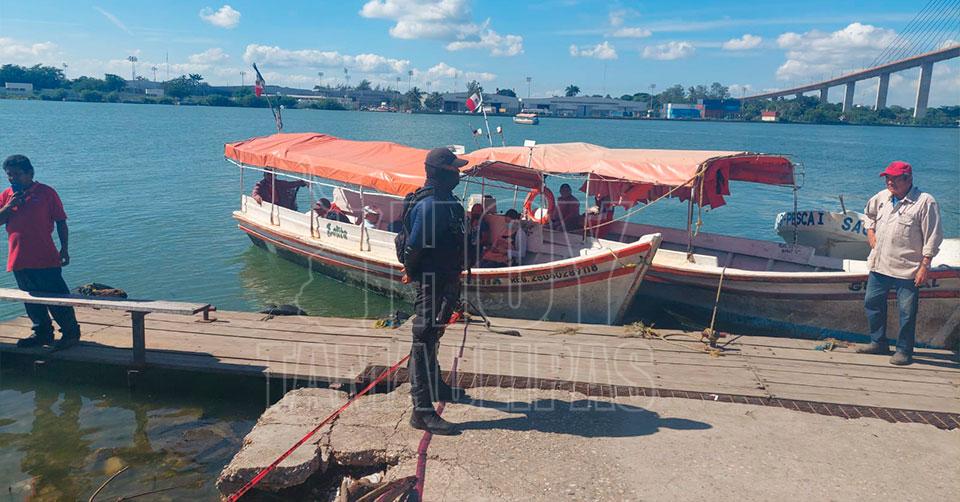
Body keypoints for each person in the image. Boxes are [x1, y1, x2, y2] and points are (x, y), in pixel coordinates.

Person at [399, 147, 469, 435]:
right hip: (432, 281)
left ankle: (437, 386)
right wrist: (410, 270)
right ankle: (422, 410)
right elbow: (414, 246)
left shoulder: (445, 200)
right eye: (455, 169)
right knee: (424, 336)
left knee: (435, 333)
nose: (459, 173)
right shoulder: (430, 205)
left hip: (446, 278)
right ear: (441, 172)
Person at [857, 161, 942, 366]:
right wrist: (870, 232)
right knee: (872, 303)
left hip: (908, 269)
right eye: (887, 177)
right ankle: (878, 342)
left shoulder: (925, 202)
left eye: (894, 178)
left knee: (907, 312)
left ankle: (904, 350)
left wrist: (925, 266)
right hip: (880, 265)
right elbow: (868, 214)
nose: (889, 182)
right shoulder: (882, 197)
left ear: (908, 179)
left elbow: (933, 236)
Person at [0, 155, 82, 350]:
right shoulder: (7, 195)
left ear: (30, 173)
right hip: (19, 258)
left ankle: (71, 333)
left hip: (45, 257)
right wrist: (8, 207)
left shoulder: (46, 193)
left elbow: (61, 221)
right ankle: (42, 332)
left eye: (17, 174)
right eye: (9, 175)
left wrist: (64, 248)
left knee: (57, 298)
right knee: (31, 300)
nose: (12, 178)